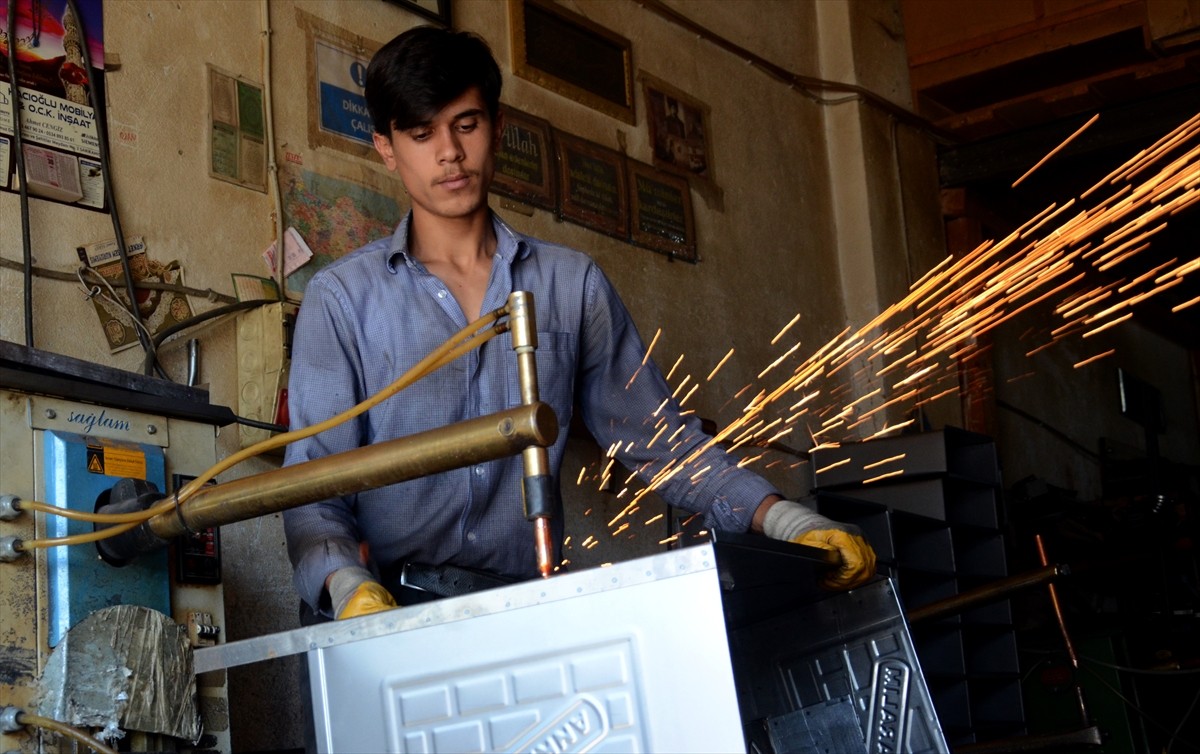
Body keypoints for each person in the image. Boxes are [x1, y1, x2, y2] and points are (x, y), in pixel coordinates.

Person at [282, 26, 875, 623]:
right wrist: (347, 589)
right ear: (385, 147)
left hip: (524, 610)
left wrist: (785, 518)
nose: (449, 153)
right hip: (381, 610)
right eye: (420, 133)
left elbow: (662, 443)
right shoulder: (342, 300)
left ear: (498, 125)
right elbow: (313, 488)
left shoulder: (571, 287)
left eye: (465, 125)